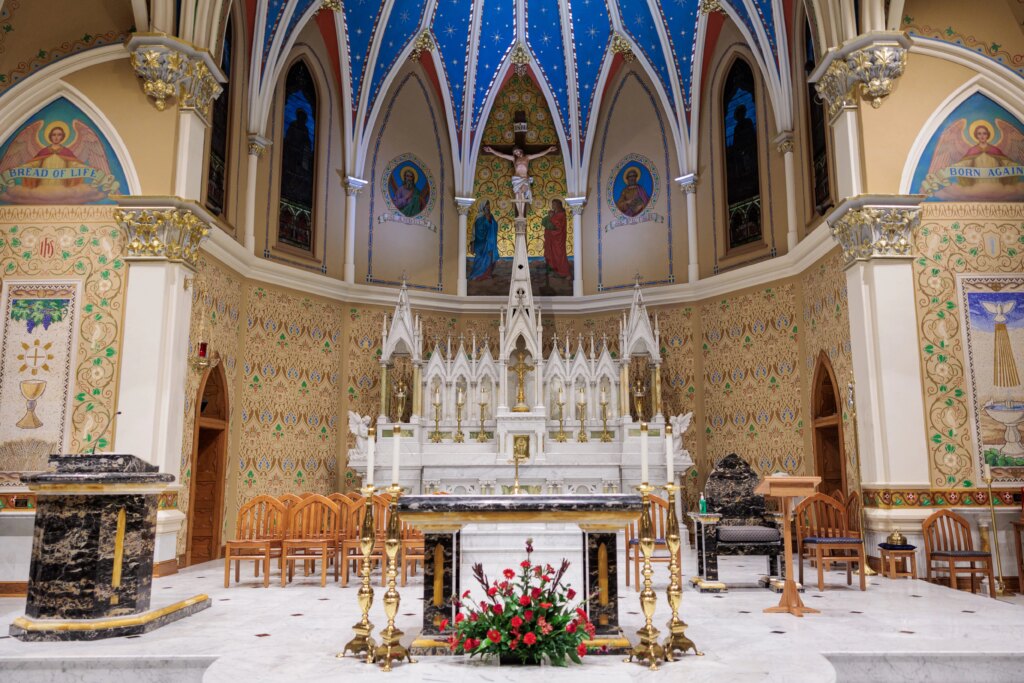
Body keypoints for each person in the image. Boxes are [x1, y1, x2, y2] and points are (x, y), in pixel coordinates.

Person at [482, 145, 558, 215]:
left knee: (522, 192)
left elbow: (539, 154)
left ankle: (521, 213)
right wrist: (492, 151)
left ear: (520, 150)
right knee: (518, 195)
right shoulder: (514, 159)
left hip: (525, 179)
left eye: (517, 151)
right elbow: (502, 155)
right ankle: (520, 214)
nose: (516, 153)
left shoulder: (527, 157)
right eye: (515, 153)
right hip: (516, 179)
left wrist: (548, 150)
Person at [467, 200, 500, 280]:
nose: (488, 207)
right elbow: (479, 229)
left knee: (490, 256)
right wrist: (486, 220)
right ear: (483, 207)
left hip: (490, 242)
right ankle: (478, 274)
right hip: (481, 242)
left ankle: (488, 274)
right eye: (486, 205)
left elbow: (495, 225)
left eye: (488, 205)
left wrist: (490, 220)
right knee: (482, 258)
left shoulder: (490, 215)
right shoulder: (479, 217)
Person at [542, 199, 570, 278]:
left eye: (554, 204)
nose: (552, 206)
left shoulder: (561, 214)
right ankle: (555, 270)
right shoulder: (554, 213)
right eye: (552, 204)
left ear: (558, 205)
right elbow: (546, 222)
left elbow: (558, 227)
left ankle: (565, 272)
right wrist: (550, 216)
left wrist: (551, 218)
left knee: (560, 255)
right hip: (551, 240)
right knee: (552, 255)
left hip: (558, 240)